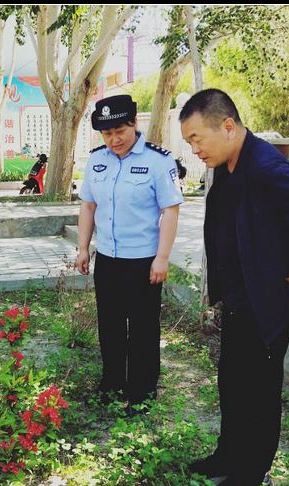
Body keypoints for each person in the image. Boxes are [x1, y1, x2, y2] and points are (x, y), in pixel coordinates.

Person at [178, 89, 289, 486]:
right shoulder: (229, 165)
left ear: (227, 126)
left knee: (259, 388)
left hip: (269, 298)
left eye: (197, 139)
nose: (194, 149)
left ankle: (249, 475)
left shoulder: (265, 166)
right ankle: (227, 457)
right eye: (189, 142)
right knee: (232, 380)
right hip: (241, 294)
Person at [76, 94, 184, 414]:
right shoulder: (97, 160)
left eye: (120, 131)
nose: (114, 140)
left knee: (142, 328)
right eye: (107, 134)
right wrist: (83, 248)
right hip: (108, 259)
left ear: (134, 123)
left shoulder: (158, 161)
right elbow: (88, 206)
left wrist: (162, 257)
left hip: (143, 262)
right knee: (109, 325)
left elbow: (170, 211)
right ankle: (112, 383)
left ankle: (142, 391)